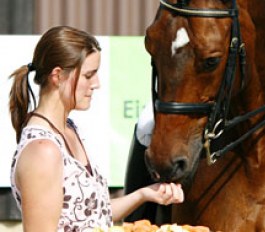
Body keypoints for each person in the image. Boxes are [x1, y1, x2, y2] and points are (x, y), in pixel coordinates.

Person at [9, 26, 184, 232]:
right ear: (57, 76)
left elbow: (93, 214)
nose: (96, 83)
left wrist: (145, 194)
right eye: (88, 75)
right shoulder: (43, 151)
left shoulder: (69, 129)